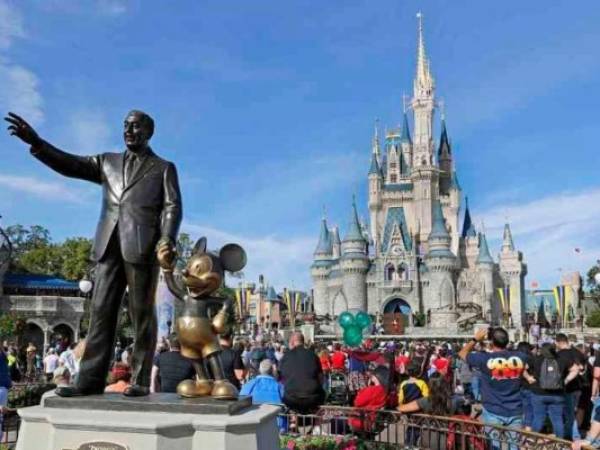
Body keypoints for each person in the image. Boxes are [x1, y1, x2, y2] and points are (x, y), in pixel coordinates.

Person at [5, 110, 182, 397]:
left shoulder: (163, 168)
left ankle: (138, 379)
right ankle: (88, 380)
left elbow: (173, 206)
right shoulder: (107, 162)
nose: (128, 130)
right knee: (100, 312)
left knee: (141, 316)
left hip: (142, 246)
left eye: (135, 126)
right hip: (108, 244)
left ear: (149, 132)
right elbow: (71, 164)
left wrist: (167, 240)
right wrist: (37, 143)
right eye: (125, 125)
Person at [458, 327, 526, 450]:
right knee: (514, 446)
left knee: (494, 446)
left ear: (492, 342)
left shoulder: (484, 359)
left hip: (492, 409)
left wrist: (475, 339)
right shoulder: (521, 357)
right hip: (515, 408)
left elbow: (462, 353)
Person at [524, 342, 578, 439]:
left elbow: (522, 368)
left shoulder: (536, 359)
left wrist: (528, 378)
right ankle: (559, 442)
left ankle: (532, 439)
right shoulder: (562, 359)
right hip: (557, 394)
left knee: (538, 418)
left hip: (538, 393)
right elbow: (576, 369)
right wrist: (566, 381)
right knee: (557, 419)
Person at [279, 332, 325, 414]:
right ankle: (317, 423)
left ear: (292, 342)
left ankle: (293, 420)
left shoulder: (286, 356)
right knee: (323, 393)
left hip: (291, 399)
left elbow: (281, 377)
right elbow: (321, 378)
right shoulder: (313, 355)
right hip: (312, 398)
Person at [556, 333, 586, 440]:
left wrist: (565, 380)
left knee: (566, 414)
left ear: (558, 342)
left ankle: (571, 435)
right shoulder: (578, 352)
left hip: (566, 388)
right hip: (578, 387)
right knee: (572, 412)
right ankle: (570, 434)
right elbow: (582, 368)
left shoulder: (559, 354)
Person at [348, 366, 390, 433]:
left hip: (363, 421)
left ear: (376, 377)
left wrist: (368, 387)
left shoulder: (372, 390)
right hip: (375, 421)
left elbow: (357, 402)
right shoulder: (386, 390)